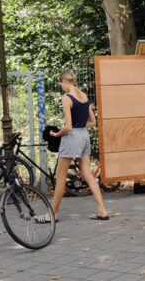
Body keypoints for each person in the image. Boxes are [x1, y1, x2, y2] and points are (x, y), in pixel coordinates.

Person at [41, 71, 109, 223]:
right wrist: (80, 127)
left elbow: (68, 126)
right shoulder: (84, 96)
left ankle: (51, 215)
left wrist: (56, 134)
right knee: (87, 173)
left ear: (64, 80)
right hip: (84, 136)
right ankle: (102, 211)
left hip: (72, 138)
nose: (61, 87)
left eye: (60, 83)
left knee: (60, 178)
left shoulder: (67, 98)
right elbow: (92, 122)